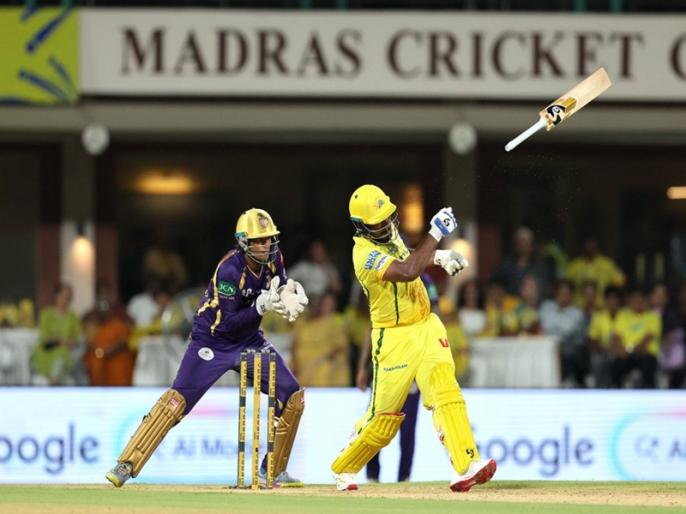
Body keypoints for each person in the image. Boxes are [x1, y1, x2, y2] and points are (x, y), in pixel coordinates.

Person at [106, 208, 309, 488]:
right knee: (176, 403)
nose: (265, 246)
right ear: (244, 242)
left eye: (268, 239)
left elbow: (279, 284)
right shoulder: (229, 270)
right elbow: (229, 323)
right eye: (258, 241)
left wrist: (287, 295)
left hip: (249, 340)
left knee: (293, 396)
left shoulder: (275, 257)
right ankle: (126, 463)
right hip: (213, 340)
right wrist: (261, 306)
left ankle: (272, 471)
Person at [331, 184, 496, 493]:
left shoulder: (390, 236)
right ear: (361, 227)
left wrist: (438, 257)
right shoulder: (363, 254)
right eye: (377, 223)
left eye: (387, 217)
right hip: (393, 338)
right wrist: (436, 233)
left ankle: (465, 465)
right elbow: (407, 270)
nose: (385, 225)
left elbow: (412, 258)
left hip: (426, 324)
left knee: (445, 390)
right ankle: (344, 466)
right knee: (383, 419)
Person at [31, 283, 82, 385]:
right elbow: (45, 337)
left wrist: (61, 340)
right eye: (63, 296)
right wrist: (62, 340)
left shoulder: (73, 317)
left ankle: (53, 383)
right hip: (46, 351)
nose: (66, 300)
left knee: (62, 357)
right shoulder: (46, 314)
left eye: (68, 297)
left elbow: (77, 340)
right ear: (56, 296)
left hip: (65, 354)